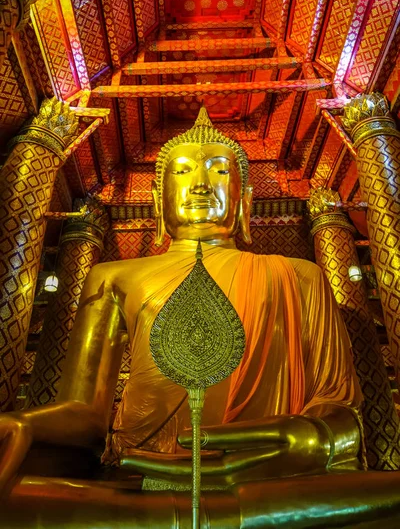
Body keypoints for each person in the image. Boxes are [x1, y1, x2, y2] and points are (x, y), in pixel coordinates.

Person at [2, 107, 400, 529]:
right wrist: (22, 423)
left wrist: (317, 438)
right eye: (184, 171)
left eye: (218, 171)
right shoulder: (112, 276)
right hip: (143, 481)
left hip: (272, 482)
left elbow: (340, 412)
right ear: (158, 199)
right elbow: (83, 412)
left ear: (244, 200)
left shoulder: (300, 276)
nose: (200, 184)